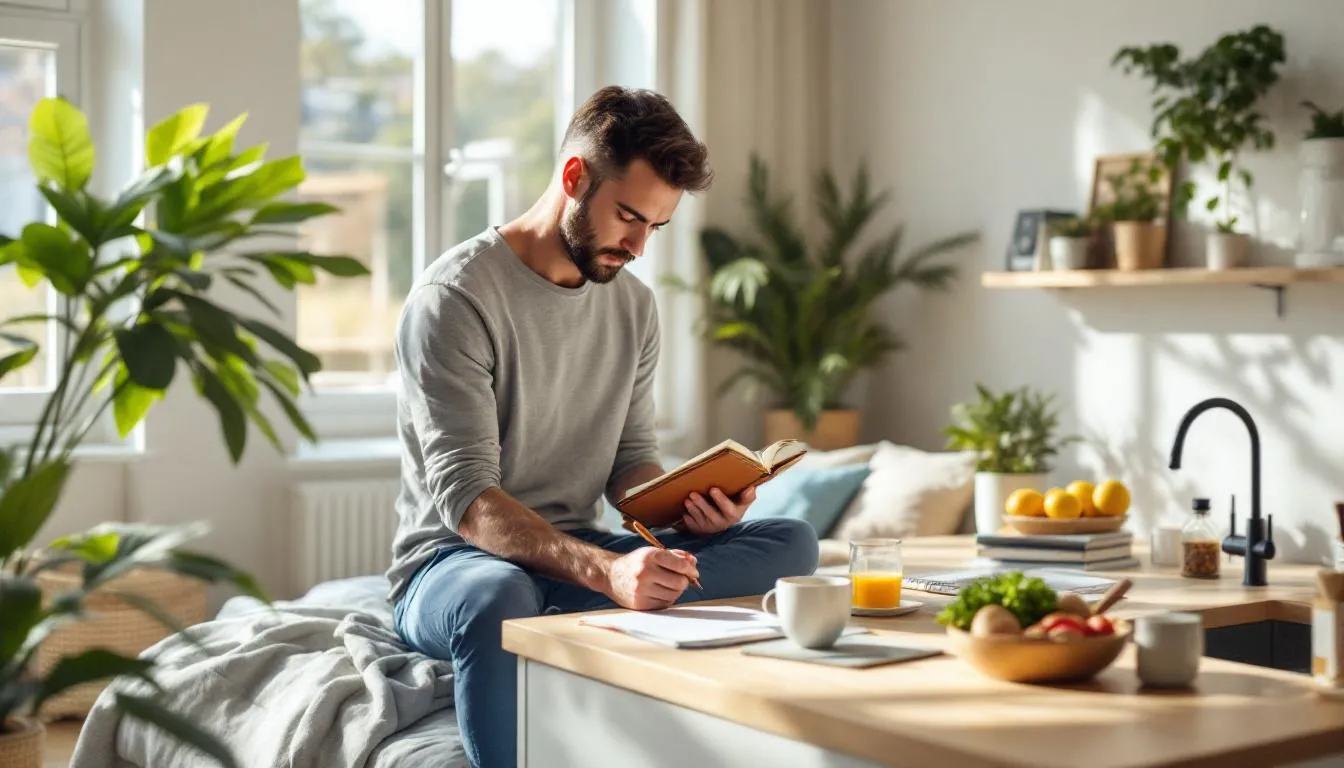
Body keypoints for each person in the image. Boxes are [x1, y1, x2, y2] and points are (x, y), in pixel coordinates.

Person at [388, 85, 819, 768]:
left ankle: (577, 615)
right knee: (500, 592)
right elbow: (470, 504)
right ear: (573, 178)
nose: (639, 245)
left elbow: (631, 465)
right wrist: (610, 571)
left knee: (791, 543)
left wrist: (690, 507)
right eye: (628, 217)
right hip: (453, 566)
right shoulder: (455, 299)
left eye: (656, 226)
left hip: (576, 552)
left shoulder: (634, 307)